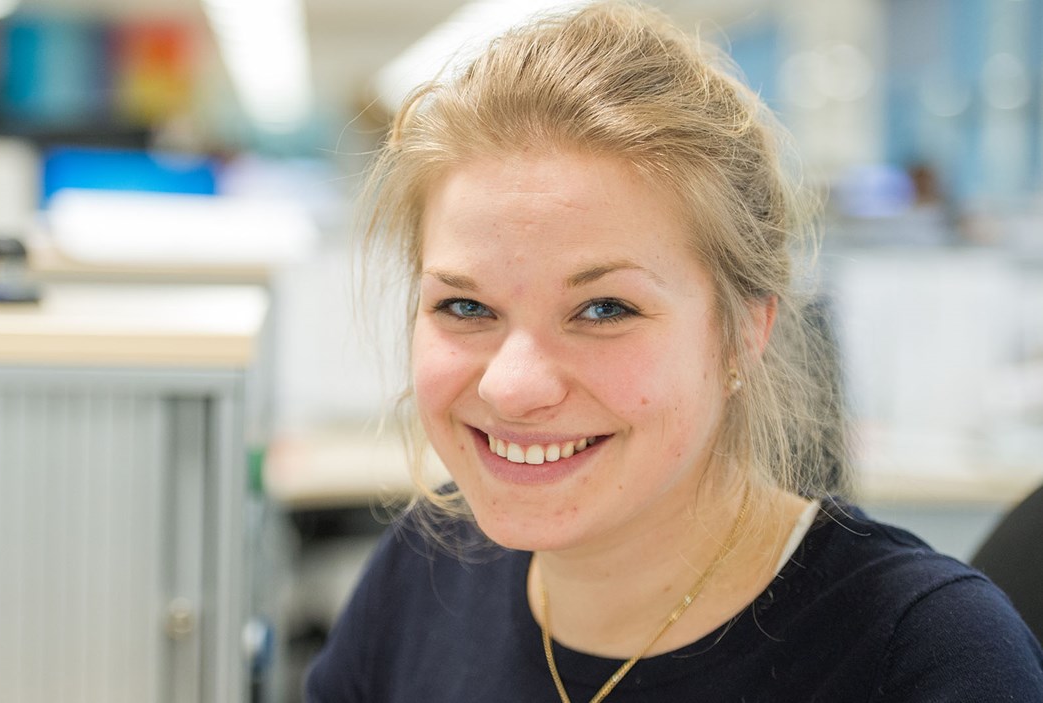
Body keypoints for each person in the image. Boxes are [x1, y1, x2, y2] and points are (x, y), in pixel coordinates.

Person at [305, 2, 1043, 700]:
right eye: (464, 306)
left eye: (604, 308)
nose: (512, 386)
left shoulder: (924, 655)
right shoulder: (421, 573)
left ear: (745, 329)